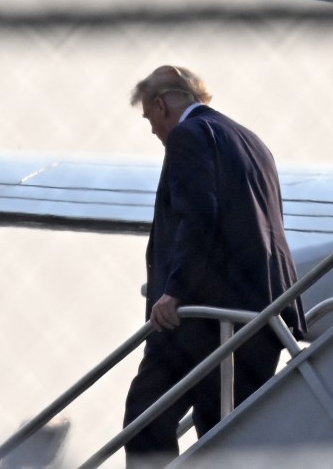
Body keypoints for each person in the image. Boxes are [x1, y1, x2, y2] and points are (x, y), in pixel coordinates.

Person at [123, 65, 306, 467]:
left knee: (144, 417)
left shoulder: (189, 136)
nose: (153, 130)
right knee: (224, 436)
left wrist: (175, 292)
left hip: (203, 315)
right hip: (263, 310)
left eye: (149, 118)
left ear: (160, 104)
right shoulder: (250, 139)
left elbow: (198, 217)